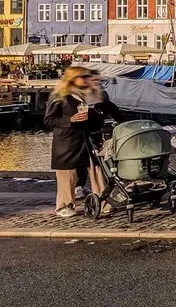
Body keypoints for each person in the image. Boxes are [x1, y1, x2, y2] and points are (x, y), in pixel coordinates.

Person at [43, 66, 124, 217]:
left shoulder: (93, 94)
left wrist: (123, 122)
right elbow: (48, 120)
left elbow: (111, 108)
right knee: (68, 174)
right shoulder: (60, 96)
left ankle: (103, 201)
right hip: (68, 141)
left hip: (89, 138)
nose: (87, 80)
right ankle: (64, 205)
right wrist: (70, 119)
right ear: (73, 79)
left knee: (97, 170)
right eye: (83, 77)